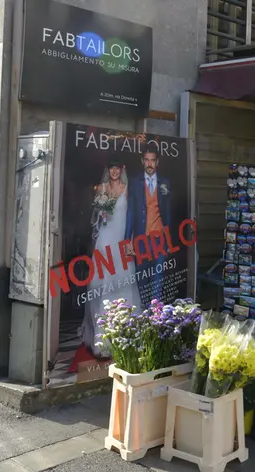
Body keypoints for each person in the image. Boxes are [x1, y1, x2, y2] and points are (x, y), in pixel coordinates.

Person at [82, 160, 142, 357]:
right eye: (111, 169)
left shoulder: (128, 188)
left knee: (123, 281)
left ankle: (126, 335)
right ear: (108, 171)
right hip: (106, 239)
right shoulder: (102, 188)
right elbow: (96, 218)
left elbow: (132, 215)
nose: (114, 172)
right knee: (102, 281)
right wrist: (101, 213)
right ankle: (103, 339)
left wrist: (131, 240)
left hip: (121, 240)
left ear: (122, 170)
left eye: (117, 169)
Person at [126, 142, 172, 302]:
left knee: (158, 281)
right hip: (141, 239)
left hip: (159, 239)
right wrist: (127, 240)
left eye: (152, 160)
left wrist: (168, 240)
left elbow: (168, 213)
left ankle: (156, 318)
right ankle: (144, 315)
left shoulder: (165, 182)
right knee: (142, 280)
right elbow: (131, 211)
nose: (149, 164)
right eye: (146, 160)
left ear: (157, 162)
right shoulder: (135, 181)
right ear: (142, 161)